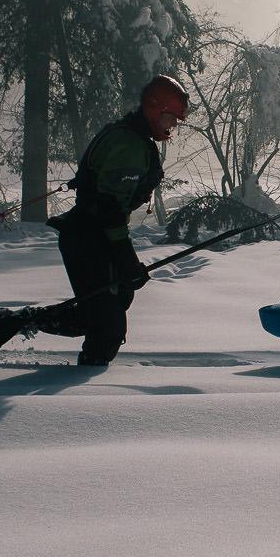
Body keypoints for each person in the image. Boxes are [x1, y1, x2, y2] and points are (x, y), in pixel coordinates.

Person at [47, 74, 188, 366]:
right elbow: (109, 207)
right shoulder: (129, 144)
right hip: (87, 238)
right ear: (154, 108)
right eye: (171, 118)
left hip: (93, 236)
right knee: (107, 331)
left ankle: (22, 322)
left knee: (110, 306)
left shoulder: (132, 136)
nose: (173, 126)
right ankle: (83, 399)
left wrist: (124, 262)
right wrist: (125, 258)